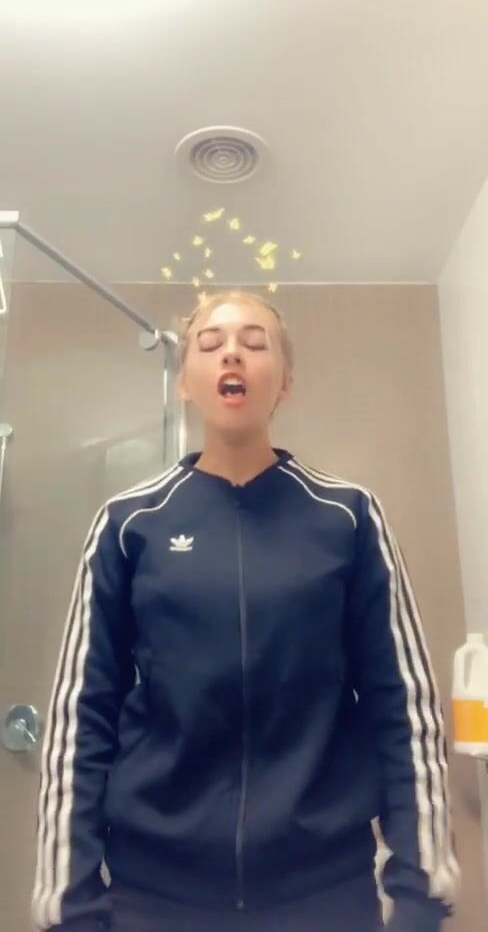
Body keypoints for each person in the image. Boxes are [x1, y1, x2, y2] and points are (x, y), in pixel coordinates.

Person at [32, 289, 459, 932]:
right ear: (185, 382)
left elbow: (403, 704)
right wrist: (69, 900)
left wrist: (421, 889)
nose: (232, 352)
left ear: (284, 382)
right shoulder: (129, 523)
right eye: (210, 343)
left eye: (255, 343)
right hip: (154, 892)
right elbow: (80, 714)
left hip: (325, 890)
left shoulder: (348, 516)